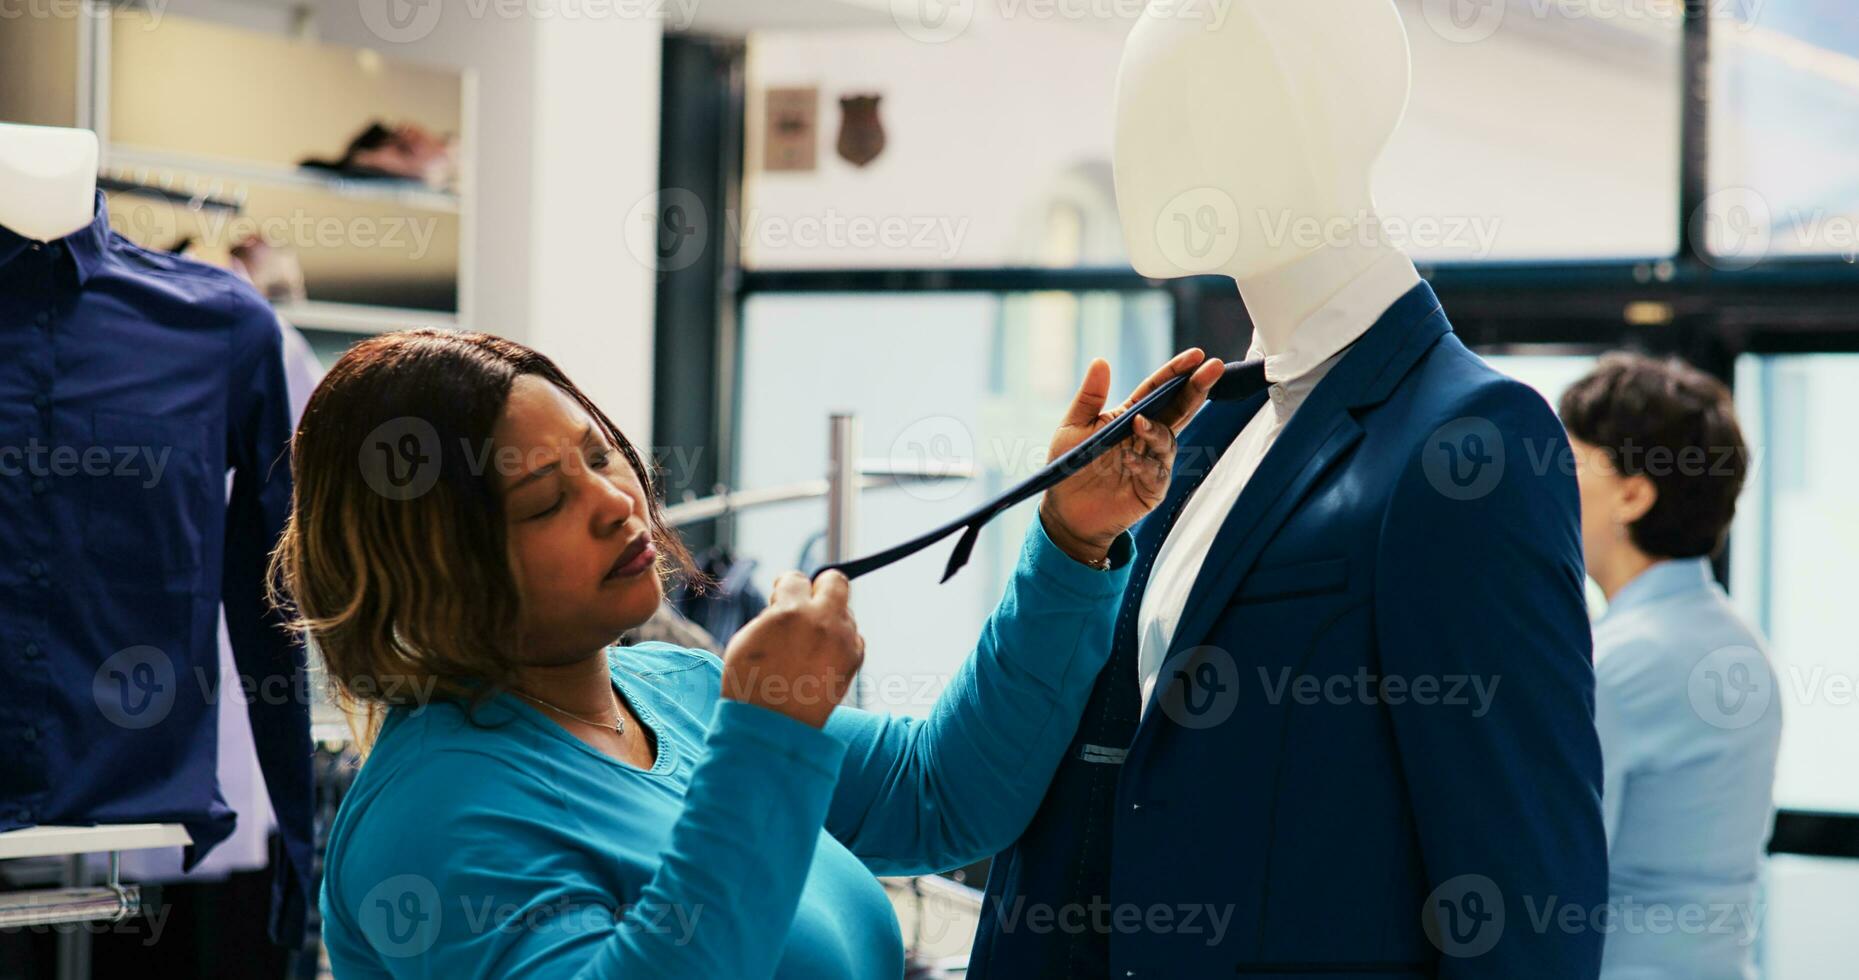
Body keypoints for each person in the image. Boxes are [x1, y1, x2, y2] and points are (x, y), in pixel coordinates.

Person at [267, 328, 1225, 978]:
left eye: (599, 458)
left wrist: (1070, 539)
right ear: (433, 565)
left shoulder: (676, 689)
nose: (615, 502)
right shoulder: (434, 816)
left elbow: (946, 793)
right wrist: (768, 734)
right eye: (545, 504)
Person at [1559, 353, 1781, 980]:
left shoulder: (1625, 663)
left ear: (1632, 494)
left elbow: (1550, 868)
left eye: (1568, 465)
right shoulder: (1733, 638)